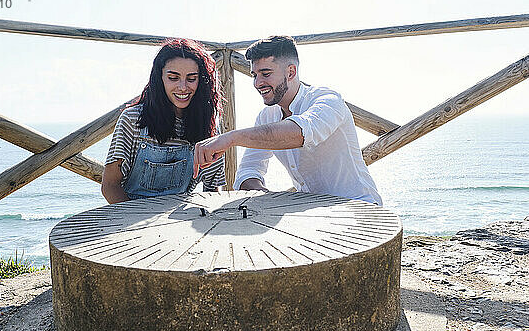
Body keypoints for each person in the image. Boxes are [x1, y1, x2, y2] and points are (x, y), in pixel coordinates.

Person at [193, 35, 382, 205]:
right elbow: (247, 174)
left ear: (291, 72)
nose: (258, 83)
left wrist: (230, 138)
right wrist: (273, 202)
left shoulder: (328, 100)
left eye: (266, 74)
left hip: (359, 207)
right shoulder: (266, 116)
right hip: (313, 216)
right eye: (255, 75)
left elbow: (300, 133)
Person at [102, 38, 226, 204]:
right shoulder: (132, 120)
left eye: (191, 78)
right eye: (173, 78)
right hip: (130, 218)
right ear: (159, 79)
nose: (183, 87)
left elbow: (213, 190)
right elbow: (110, 186)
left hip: (176, 222)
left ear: (202, 82)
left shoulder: (210, 129)